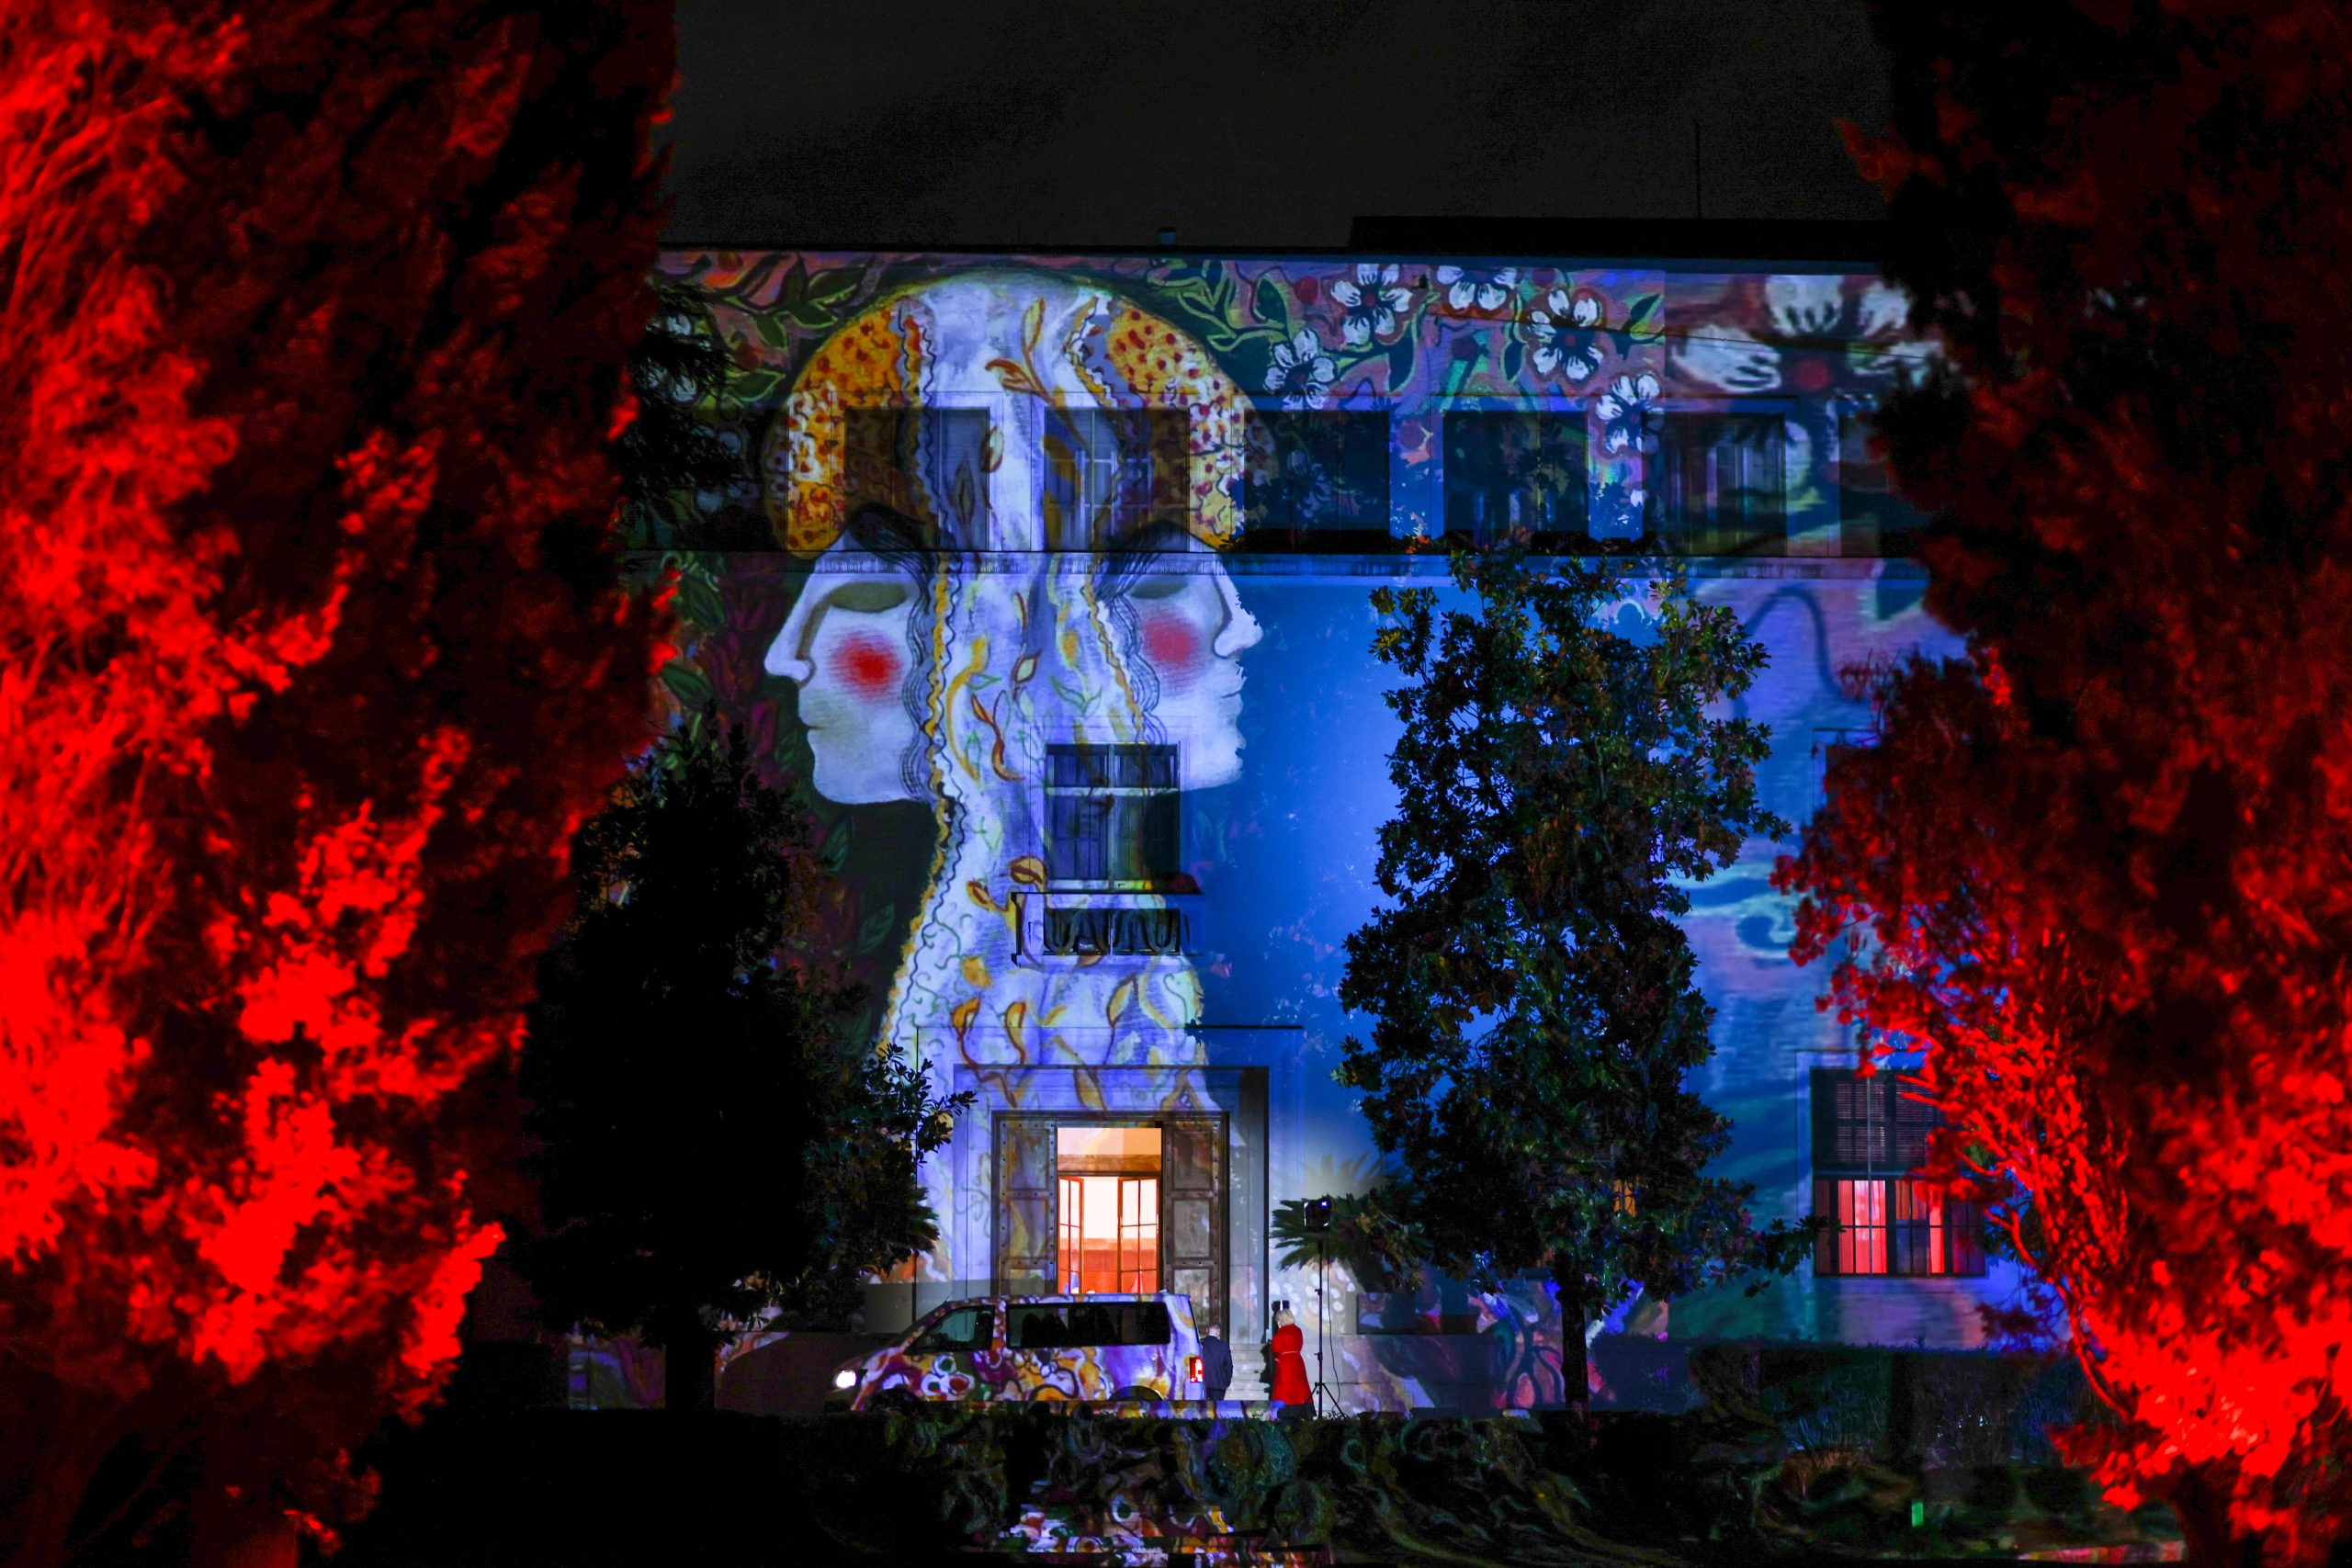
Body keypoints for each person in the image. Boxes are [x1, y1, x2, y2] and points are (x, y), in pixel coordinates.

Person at [1268, 1306, 1309, 1416]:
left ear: (1281, 1320)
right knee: (1299, 1388)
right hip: (1297, 1361)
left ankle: (1285, 1413)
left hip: (1285, 1363)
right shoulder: (1298, 1330)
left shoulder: (1282, 1332)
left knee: (1285, 1389)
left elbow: (1276, 1348)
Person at [1197, 1328, 1232, 1409]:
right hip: (1219, 1385)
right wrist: (1226, 1382)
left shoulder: (1199, 1344)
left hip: (1201, 1384)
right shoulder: (1223, 1346)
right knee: (1216, 1409)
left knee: (1201, 1409)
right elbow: (1228, 1367)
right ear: (1218, 1332)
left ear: (1207, 1330)